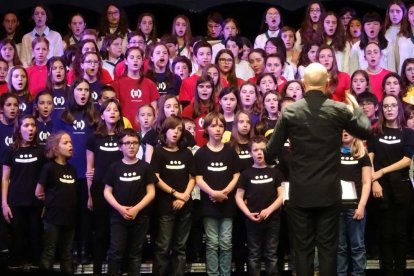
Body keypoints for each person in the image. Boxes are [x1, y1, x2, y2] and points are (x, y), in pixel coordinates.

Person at [264, 62, 371, 276]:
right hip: (329, 193)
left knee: (302, 250)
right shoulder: (339, 110)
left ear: (303, 84)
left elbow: (269, 154)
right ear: (328, 83)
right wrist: (356, 107)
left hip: (300, 192)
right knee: (328, 250)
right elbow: (366, 131)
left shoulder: (290, 112)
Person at [103, 128, 156, 276]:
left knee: (135, 253)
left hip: (140, 217)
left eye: (134, 143)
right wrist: (120, 208)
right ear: (120, 146)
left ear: (139, 145)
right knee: (116, 252)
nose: (131, 146)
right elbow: (107, 191)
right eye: (127, 143)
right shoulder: (115, 167)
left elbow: (151, 192)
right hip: (118, 217)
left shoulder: (145, 167)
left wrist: (136, 209)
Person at [151, 116, 195, 276]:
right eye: (172, 128)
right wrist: (175, 194)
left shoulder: (186, 153)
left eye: (179, 129)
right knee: (163, 247)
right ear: (165, 130)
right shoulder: (158, 152)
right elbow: (155, 178)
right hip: (165, 206)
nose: (176, 132)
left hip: (185, 206)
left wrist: (184, 197)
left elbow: (193, 177)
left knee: (180, 248)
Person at [235, 135, 284, 276]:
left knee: (271, 254)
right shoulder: (245, 174)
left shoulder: (276, 172)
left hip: (273, 219)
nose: (259, 152)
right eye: (255, 150)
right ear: (251, 152)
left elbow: (282, 195)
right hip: (252, 220)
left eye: (262, 149)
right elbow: (238, 197)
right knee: (254, 254)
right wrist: (248, 213)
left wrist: (269, 210)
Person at [35, 131, 77, 275]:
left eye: (70, 142)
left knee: (66, 254)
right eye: (65, 143)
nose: (70, 145)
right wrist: (50, 203)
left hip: (70, 218)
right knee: (49, 252)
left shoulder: (72, 169)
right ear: (55, 147)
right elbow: (38, 192)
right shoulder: (49, 168)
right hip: (53, 218)